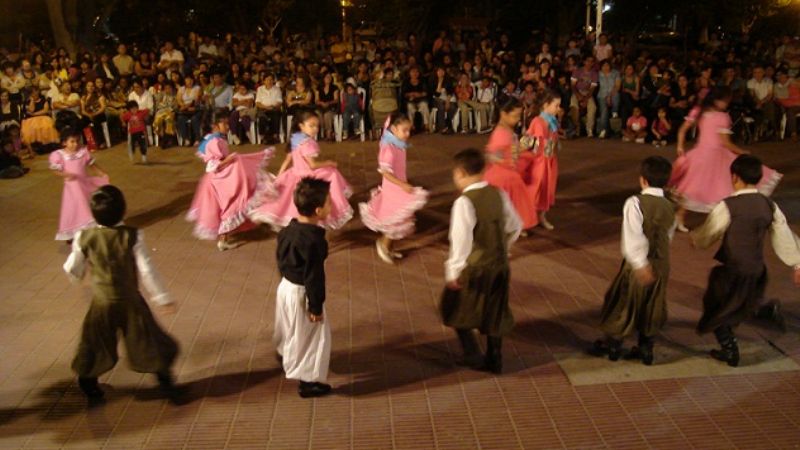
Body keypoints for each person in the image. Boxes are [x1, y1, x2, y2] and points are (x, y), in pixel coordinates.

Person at [62, 185, 180, 403]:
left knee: (96, 341)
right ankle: (166, 382)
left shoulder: (83, 237)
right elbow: (147, 270)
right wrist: (162, 298)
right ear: (123, 210)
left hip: (102, 301)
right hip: (130, 300)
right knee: (148, 339)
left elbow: (72, 267)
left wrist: (77, 276)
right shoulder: (133, 235)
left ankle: (88, 383)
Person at [691, 155, 800, 367]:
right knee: (742, 301)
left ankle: (730, 350)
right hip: (757, 268)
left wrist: (698, 240)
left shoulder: (730, 205)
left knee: (718, 307)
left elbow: (709, 232)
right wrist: (798, 263)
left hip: (733, 268)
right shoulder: (769, 205)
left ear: (734, 177)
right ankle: (765, 311)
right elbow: (784, 236)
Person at [441, 148, 522, 374]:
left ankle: (473, 354)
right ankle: (494, 358)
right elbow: (515, 225)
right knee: (496, 311)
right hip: (500, 265)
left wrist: (453, 272)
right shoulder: (498, 194)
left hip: (475, 268)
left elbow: (460, 241)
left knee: (454, 308)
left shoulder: (464, 203)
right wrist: (503, 247)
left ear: (459, 173)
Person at [589, 156, 675, 365]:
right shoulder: (669, 205)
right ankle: (646, 349)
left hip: (639, 265)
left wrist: (639, 263)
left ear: (643, 180)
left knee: (623, 302)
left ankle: (614, 346)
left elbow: (633, 235)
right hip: (661, 262)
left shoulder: (635, 202)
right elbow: (667, 235)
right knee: (653, 304)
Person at [671, 87, 782, 231]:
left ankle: (680, 217)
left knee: (695, 186)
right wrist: (742, 152)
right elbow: (726, 143)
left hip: (700, 154)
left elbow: (682, 129)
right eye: (725, 101)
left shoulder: (699, 111)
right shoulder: (722, 117)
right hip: (715, 156)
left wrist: (680, 147)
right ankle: (712, 221)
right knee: (719, 187)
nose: (727, 104)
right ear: (717, 101)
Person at [274, 178, 334, 398]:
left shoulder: (287, 230)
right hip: (301, 292)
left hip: (285, 288)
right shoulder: (314, 240)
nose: (332, 205)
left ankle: (285, 354)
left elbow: (280, 259)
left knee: (289, 327)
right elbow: (314, 276)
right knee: (313, 337)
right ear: (318, 210)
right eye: (329, 202)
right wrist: (316, 306)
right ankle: (308, 382)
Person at [249, 109, 352, 230]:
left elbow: (287, 160)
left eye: (317, 126)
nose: (315, 129)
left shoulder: (296, 138)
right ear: (301, 126)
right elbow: (312, 165)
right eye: (311, 126)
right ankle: (333, 210)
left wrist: (279, 176)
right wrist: (328, 162)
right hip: (307, 174)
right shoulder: (308, 143)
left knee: (285, 200)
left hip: (294, 172)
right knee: (332, 175)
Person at [186, 115, 274, 251]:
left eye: (227, 124)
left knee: (231, 202)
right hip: (220, 179)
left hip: (220, 178)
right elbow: (213, 166)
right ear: (215, 126)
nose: (227, 126)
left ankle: (229, 235)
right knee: (232, 203)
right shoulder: (214, 141)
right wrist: (230, 159)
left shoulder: (213, 139)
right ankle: (223, 239)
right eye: (224, 124)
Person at [359, 114, 428, 264]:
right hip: (393, 187)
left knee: (400, 216)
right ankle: (383, 244)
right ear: (394, 129)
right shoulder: (389, 148)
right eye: (405, 130)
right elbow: (385, 172)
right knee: (396, 217)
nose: (408, 134)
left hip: (398, 184)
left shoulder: (397, 144)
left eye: (409, 130)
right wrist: (402, 185)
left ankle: (389, 247)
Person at [484, 98, 538, 232]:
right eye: (515, 115)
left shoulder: (506, 129)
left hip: (509, 171)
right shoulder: (501, 133)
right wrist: (509, 159)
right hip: (503, 176)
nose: (518, 119)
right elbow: (492, 156)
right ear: (503, 114)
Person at [49, 127, 109, 242]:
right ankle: (73, 233)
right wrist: (65, 174)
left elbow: (92, 166)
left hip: (84, 184)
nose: (75, 144)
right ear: (64, 142)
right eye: (72, 141)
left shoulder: (83, 153)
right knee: (74, 208)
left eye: (77, 141)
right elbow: (55, 170)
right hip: (71, 188)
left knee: (85, 205)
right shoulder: (59, 155)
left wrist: (102, 174)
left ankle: (88, 230)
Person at [520, 90, 561, 230]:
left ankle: (542, 216)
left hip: (549, 160)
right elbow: (531, 142)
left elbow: (552, 142)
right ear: (545, 105)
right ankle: (524, 221)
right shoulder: (538, 121)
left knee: (547, 189)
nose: (558, 109)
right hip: (539, 161)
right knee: (535, 190)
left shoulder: (552, 121)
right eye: (556, 105)